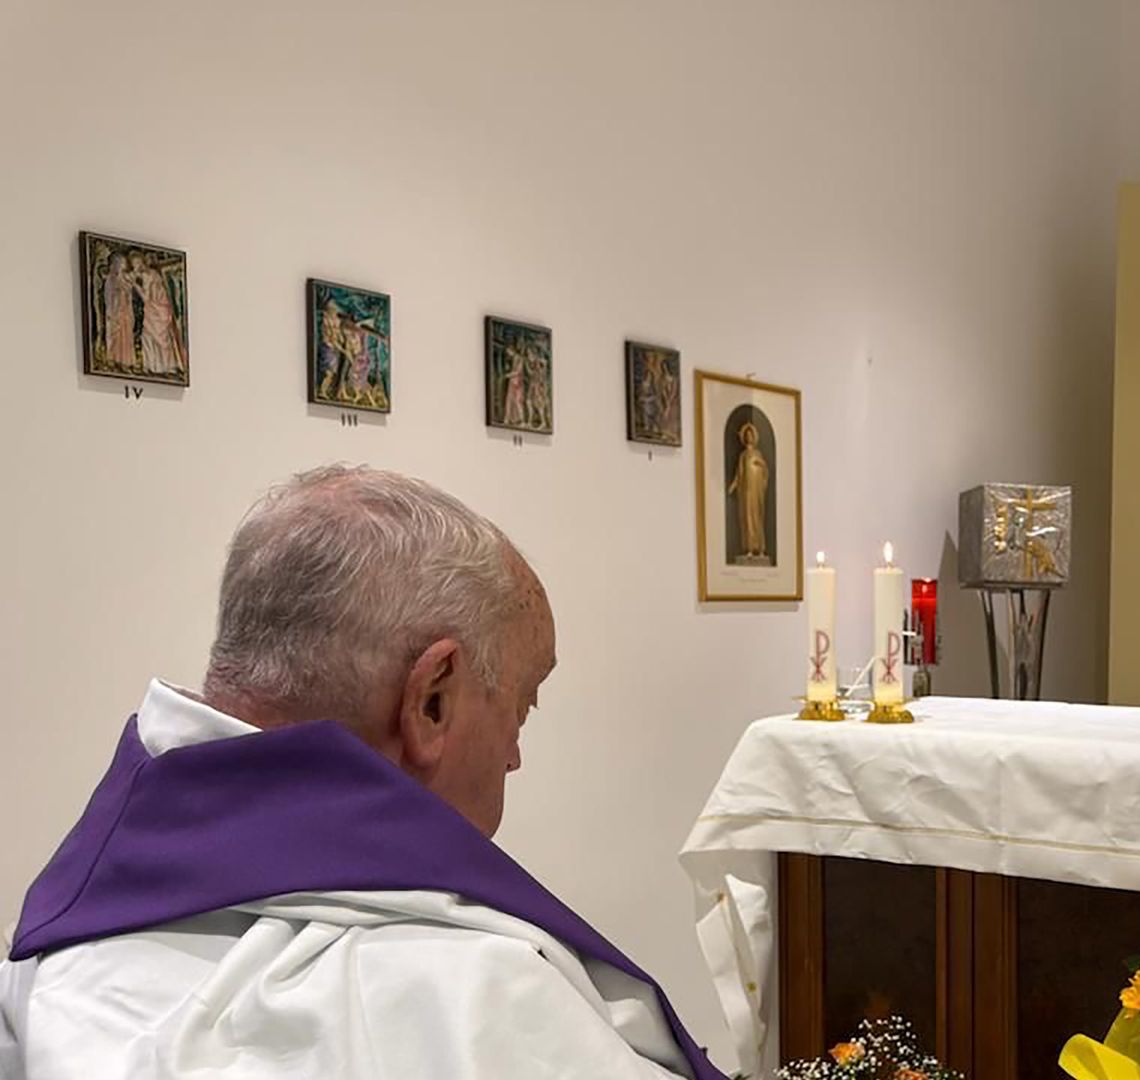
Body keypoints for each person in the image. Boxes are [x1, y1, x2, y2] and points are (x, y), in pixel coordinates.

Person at [0, 466, 724, 1080]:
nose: (513, 756)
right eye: (521, 709)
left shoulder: (38, 969)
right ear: (432, 699)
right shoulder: (483, 1003)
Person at [727, 422, 769, 562]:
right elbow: (740, 474)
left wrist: (761, 465)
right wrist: (733, 485)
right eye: (747, 435)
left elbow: (765, 471)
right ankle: (750, 548)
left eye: (751, 435)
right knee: (747, 518)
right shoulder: (743, 456)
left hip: (756, 491)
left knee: (757, 517)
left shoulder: (758, 454)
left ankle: (761, 548)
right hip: (746, 491)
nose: (749, 437)